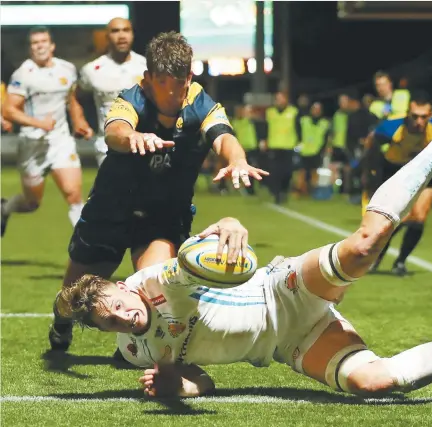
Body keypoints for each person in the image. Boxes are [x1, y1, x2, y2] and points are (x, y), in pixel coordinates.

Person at [56, 93, 432, 399]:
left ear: (123, 285)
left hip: (280, 290)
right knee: (375, 384)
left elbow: (192, 258)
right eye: (112, 320)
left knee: (365, 244)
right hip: (289, 343)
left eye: (118, 304)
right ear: (105, 332)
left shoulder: (153, 284)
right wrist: (177, 387)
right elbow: (203, 382)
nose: (124, 315)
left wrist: (227, 223)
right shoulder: (137, 351)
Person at [48, 31, 268, 351]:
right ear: (148, 78)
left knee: (157, 287)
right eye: (161, 86)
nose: (170, 98)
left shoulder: (202, 104)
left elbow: (224, 138)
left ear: (188, 78)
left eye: (176, 88)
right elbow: (115, 131)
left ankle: (146, 352)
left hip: (162, 216)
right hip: (111, 209)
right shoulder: (131, 98)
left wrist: (237, 160)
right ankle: (60, 326)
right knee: (71, 297)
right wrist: (132, 138)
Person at [1, 26, 93, 237]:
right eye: (35, 43)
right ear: (30, 48)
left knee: (73, 195)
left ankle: (84, 248)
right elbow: (8, 110)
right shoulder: (23, 74)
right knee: (32, 202)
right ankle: (4, 208)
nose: (39, 46)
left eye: (43, 41)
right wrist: (38, 123)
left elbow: (71, 98)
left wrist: (79, 122)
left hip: (60, 140)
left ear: (52, 45)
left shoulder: (67, 69)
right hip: (32, 144)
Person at [362, 92, 432, 276]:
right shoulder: (390, 128)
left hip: (426, 171)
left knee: (419, 218)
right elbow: (371, 145)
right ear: (407, 113)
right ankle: (377, 254)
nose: (419, 121)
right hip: (395, 170)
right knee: (391, 219)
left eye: (424, 117)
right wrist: (369, 176)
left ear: (431, 116)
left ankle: (400, 262)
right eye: (414, 116)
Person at [74, 17, 147, 166]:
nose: (121, 36)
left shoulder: (146, 66)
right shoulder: (92, 70)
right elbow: (74, 96)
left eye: (126, 30)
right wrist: (78, 121)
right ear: (107, 37)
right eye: (115, 31)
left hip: (142, 143)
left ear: (132, 34)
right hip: (107, 145)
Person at [265, 92, 300, 204]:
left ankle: (284, 191)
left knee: (287, 172)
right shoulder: (270, 112)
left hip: (288, 146)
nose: (279, 101)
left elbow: (298, 127)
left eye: (281, 99)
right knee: (275, 172)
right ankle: (277, 193)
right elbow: (265, 127)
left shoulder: (293, 112)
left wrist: (299, 141)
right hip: (274, 146)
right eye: (277, 99)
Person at [296, 102, 330, 196]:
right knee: (302, 172)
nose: (316, 111)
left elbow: (327, 137)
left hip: (317, 150)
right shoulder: (304, 120)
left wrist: (326, 148)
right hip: (304, 150)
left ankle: (312, 191)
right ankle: (300, 190)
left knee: (314, 172)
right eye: (315, 109)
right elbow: (297, 132)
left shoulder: (325, 122)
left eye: (318, 109)